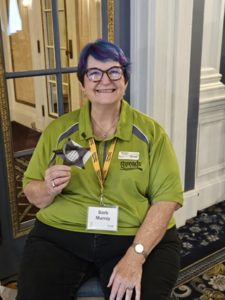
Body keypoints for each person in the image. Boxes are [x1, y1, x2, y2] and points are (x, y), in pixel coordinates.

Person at [17, 39, 183, 300]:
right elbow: (32, 194)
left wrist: (135, 256)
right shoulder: (58, 132)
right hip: (62, 236)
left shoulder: (151, 133)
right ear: (83, 84)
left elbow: (166, 199)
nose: (104, 80)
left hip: (131, 234)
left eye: (114, 71)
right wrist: (48, 188)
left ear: (125, 80)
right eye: (94, 73)